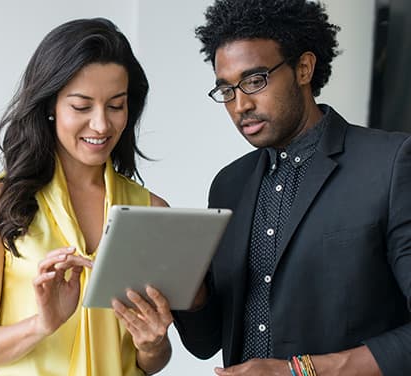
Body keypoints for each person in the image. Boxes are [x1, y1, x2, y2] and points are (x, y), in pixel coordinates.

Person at [173, 1, 411, 375]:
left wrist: (300, 371)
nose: (240, 105)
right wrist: (182, 284)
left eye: (254, 81)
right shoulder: (228, 186)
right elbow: (206, 343)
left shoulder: (390, 164)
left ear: (304, 68)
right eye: (226, 90)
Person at [0, 18, 173, 376]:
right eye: (81, 106)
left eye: (116, 106)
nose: (102, 125)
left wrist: (154, 343)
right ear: (50, 105)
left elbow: (148, 363)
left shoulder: (151, 211)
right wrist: (41, 324)